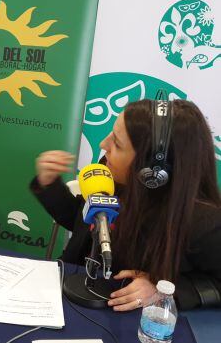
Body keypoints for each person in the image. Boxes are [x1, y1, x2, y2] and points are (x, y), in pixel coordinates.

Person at [31, 99, 221, 311]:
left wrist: (164, 290)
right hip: (73, 294)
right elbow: (83, 221)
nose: (104, 144)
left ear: (154, 172)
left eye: (118, 144)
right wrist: (49, 186)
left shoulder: (205, 224)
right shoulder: (111, 176)